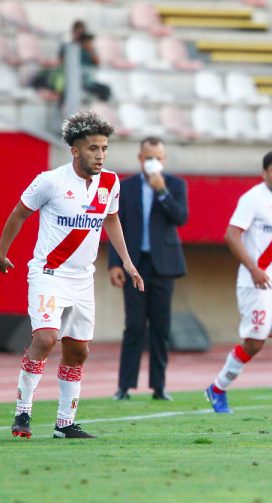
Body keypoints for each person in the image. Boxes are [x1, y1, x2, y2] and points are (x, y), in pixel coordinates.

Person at [0, 111, 142, 439]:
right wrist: (2, 252)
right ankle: (23, 413)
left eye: (104, 148)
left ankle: (65, 424)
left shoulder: (110, 182)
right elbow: (19, 214)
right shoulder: (50, 181)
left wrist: (128, 262)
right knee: (46, 338)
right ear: (75, 151)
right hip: (49, 273)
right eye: (94, 149)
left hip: (82, 279)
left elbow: (111, 220)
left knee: (78, 350)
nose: (101, 155)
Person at [204, 150, 272, 414]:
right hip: (257, 282)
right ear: (265, 173)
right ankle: (217, 388)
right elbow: (231, 235)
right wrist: (253, 269)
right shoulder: (252, 199)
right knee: (254, 343)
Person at [109, 137, 188, 401]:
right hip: (135, 266)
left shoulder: (175, 185)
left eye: (158, 157)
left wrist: (162, 191)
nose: (153, 161)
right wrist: (114, 263)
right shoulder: (125, 186)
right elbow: (114, 224)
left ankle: (159, 386)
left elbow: (181, 218)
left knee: (160, 328)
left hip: (164, 266)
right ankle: (124, 386)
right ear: (140, 158)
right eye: (148, 156)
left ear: (163, 160)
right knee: (133, 326)